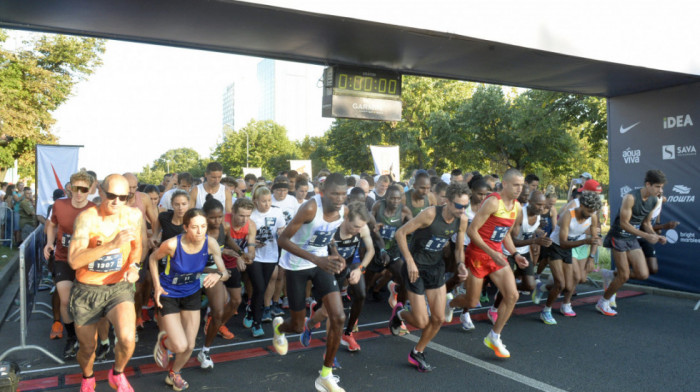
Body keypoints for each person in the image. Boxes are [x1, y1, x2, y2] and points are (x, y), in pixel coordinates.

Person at [68, 174, 143, 392]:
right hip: (87, 290)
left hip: (118, 287)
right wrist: (111, 244)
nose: (117, 202)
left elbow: (137, 248)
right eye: (111, 196)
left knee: (128, 339)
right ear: (100, 192)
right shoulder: (87, 219)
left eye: (123, 197)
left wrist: (135, 267)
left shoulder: (133, 216)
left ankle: (117, 373)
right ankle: (88, 377)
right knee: (88, 348)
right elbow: (74, 261)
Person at [275, 173, 348, 392]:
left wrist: (335, 253)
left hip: (322, 262)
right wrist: (317, 258)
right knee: (297, 326)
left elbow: (329, 234)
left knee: (338, 316)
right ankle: (279, 328)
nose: (339, 198)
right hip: (297, 265)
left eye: (343, 194)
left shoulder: (343, 210)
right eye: (335, 194)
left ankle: (325, 375)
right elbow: (282, 240)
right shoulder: (310, 208)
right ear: (322, 192)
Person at [388, 182, 469, 372]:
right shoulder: (431, 214)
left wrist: (460, 264)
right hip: (415, 267)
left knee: (439, 318)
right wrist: (409, 261)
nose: (462, 210)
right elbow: (400, 233)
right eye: (458, 205)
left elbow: (458, 248)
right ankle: (399, 313)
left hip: (435, 268)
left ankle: (417, 351)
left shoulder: (462, 219)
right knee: (421, 321)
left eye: (465, 206)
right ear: (446, 201)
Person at [448, 169, 526, 359]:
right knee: (472, 302)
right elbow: (472, 231)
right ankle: (450, 303)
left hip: (496, 256)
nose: (519, 189)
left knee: (512, 295)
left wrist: (515, 254)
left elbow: (505, 233)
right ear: (505, 184)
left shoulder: (517, 207)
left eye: (521, 185)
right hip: (478, 254)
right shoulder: (492, 201)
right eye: (515, 185)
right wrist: (492, 252)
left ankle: (494, 336)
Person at [150, 208, 229, 391]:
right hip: (169, 294)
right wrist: (157, 286)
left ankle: (174, 373)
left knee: (190, 345)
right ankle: (163, 343)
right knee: (179, 345)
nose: (200, 231)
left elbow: (224, 272)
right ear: (185, 227)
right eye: (195, 227)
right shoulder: (171, 245)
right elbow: (153, 259)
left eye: (203, 226)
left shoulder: (211, 243)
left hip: (191, 293)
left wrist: (218, 275)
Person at [300, 201, 375, 353]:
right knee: (329, 312)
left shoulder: (362, 228)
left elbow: (371, 250)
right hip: (327, 268)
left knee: (361, 294)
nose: (358, 230)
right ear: (346, 219)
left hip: (347, 266)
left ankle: (345, 336)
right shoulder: (333, 228)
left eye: (361, 227)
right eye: (355, 226)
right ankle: (309, 324)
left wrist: (360, 269)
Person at [597, 170, 667, 315]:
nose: (661, 191)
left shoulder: (654, 200)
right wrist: (646, 236)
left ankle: (610, 275)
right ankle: (603, 302)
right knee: (624, 276)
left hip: (632, 238)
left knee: (643, 274)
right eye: (658, 187)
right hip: (619, 237)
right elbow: (624, 224)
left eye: (661, 187)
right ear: (648, 184)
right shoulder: (630, 197)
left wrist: (656, 235)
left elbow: (647, 223)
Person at [44, 172, 96, 358]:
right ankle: (72, 337)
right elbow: (51, 225)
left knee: (84, 303)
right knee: (65, 300)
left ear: (90, 190)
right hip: (62, 258)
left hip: (85, 261)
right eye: (76, 188)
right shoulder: (59, 205)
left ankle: (88, 339)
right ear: (70, 188)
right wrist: (49, 242)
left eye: (83, 189)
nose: (79, 193)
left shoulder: (94, 209)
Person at [535, 191, 602, 324]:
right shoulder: (568, 215)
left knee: (569, 286)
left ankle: (542, 287)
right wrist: (584, 241)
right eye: (588, 210)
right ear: (581, 205)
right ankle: (546, 311)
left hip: (568, 249)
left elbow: (595, 239)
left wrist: (591, 257)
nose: (590, 214)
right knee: (560, 283)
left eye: (593, 211)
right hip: (555, 247)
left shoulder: (592, 216)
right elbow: (563, 242)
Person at [491, 191, 552, 321]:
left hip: (524, 251)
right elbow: (512, 241)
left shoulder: (538, 216)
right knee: (508, 287)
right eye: (538, 204)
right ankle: (493, 310)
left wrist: (538, 233)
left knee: (530, 286)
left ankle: (506, 287)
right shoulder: (519, 214)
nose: (542, 208)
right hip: (508, 252)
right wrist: (535, 241)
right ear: (529, 203)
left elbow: (529, 231)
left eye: (544, 205)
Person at [197, 196, 239, 369]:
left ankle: (205, 350)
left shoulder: (223, 227)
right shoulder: (198, 232)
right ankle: (171, 345)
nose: (217, 220)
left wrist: (241, 251)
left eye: (220, 216)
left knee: (219, 312)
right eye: (213, 217)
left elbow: (228, 240)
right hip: (194, 273)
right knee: (186, 317)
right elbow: (193, 264)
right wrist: (218, 271)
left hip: (213, 271)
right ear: (204, 216)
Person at [243, 185, 286, 337]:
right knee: (260, 288)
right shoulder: (251, 214)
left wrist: (281, 232)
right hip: (254, 255)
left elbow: (282, 230)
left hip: (271, 255)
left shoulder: (277, 211)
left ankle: (250, 311)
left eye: (268, 200)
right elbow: (244, 235)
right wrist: (253, 243)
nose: (267, 204)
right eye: (263, 201)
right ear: (255, 201)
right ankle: (257, 323)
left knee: (261, 288)